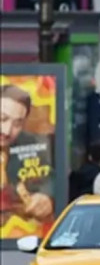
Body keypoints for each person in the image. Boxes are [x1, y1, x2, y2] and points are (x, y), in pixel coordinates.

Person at [1, 83, 54, 229]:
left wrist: (47, 198)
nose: (7, 130)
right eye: (2, 118)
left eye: (17, 123)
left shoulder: (33, 144)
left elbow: (49, 178)